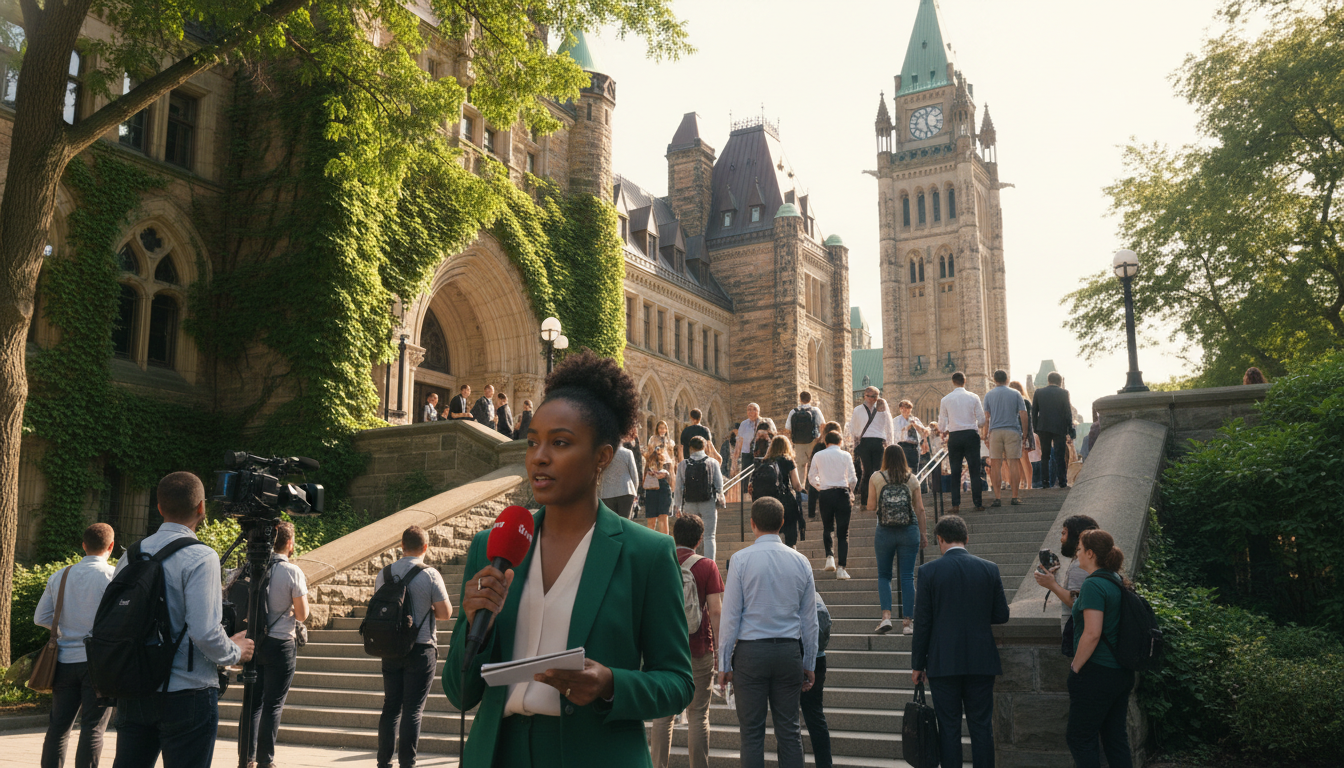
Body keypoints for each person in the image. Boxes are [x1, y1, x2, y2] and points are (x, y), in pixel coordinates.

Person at [443, 349, 694, 768]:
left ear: (602, 457)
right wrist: (475, 626)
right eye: (533, 442)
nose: (539, 456)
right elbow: (460, 692)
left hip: (597, 754)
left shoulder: (646, 553)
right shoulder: (492, 548)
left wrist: (612, 683)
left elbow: (677, 682)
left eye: (560, 442)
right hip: (497, 753)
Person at [111, 471, 254, 768]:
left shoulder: (131, 555)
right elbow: (204, 631)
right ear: (202, 508)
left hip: (135, 689)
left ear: (160, 507)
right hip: (187, 693)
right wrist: (235, 651)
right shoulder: (200, 556)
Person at [718, 497, 818, 768]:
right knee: (789, 730)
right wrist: (809, 661)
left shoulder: (739, 560)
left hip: (751, 654)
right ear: (782, 523)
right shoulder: (801, 561)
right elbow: (810, 619)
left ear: (752, 524)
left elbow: (729, 618)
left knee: (751, 733)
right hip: (788, 651)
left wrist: (724, 663)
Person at [911, 515, 1009, 768]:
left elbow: (922, 623)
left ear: (939, 539)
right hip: (981, 659)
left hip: (944, 661)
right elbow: (1002, 615)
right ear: (967, 538)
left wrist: (918, 665)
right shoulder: (990, 568)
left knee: (949, 727)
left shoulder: (928, 572)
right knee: (981, 726)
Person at [34, 523, 115, 768]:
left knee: (58, 727)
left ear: (83, 545)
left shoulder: (61, 575)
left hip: (63, 662)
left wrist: (63, 630)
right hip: (98, 664)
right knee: (93, 729)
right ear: (110, 546)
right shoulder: (113, 576)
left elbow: (41, 618)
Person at [650, 514, 724, 768]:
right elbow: (715, 610)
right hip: (699, 649)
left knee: (663, 717)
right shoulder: (706, 566)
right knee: (698, 715)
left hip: (664, 650)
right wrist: (720, 653)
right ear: (700, 539)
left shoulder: (660, 561)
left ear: (673, 534)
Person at [376, 526, 452, 768]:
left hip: (390, 649)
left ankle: (383, 762)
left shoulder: (384, 574)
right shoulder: (430, 575)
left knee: (391, 706)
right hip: (421, 649)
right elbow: (445, 614)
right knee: (412, 710)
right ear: (426, 547)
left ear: (402, 545)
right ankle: (407, 763)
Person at [242, 521, 309, 768]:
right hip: (281, 643)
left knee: (252, 703)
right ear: (289, 543)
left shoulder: (253, 567)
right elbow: (302, 615)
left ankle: (247, 757)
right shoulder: (292, 572)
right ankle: (265, 761)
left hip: (254, 641)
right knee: (273, 705)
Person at [1066, 530, 1135, 768]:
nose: (1077, 554)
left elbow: (1093, 633)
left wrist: (1075, 668)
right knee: (1115, 738)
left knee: (1079, 738)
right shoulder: (1115, 580)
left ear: (1090, 553)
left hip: (1097, 673)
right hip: (1121, 672)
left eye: (1079, 549)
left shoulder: (1094, 584)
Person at [866, 445, 926, 635]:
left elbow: (870, 506)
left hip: (884, 531)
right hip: (909, 530)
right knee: (907, 576)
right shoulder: (912, 479)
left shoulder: (876, 477)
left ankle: (885, 618)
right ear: (903, 458)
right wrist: (924, 534)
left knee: (884, 575)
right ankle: (908, 623)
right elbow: (920, 509)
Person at [1033, 515, 1100, 646]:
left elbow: (1078, 603)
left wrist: (1052, 585)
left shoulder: (1079, 566)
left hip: (1082, 637)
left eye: (1064, 533)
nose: (1061, 539)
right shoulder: (1091, 561)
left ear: (1078, 536)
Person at [808, 431, 858, 579]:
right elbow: (853, 478)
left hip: (825, 494)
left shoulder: (818, 455)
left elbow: (811, 476)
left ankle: (829, 557)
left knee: (827, 527)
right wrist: (851, 490)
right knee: (843, 532)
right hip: (842, 493)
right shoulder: (846, 455)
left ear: (826, 442)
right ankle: (842, 567)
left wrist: (820, 486)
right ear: (840, 441)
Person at [937, 371, 986, 513]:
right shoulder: (973, 397)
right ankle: (978, 503)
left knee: (955, 470)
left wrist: (946, 428)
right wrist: (973, 423)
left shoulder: (946, 399)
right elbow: (982, 420)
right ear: (965, 381)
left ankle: (955, 505)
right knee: (974, 470)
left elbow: (941, 425)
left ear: (953, 382)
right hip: (971, 434)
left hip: (955, 436)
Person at [983, 369, 1029, 508]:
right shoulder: (1015, 394)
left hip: (995, 432)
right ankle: (1015, 496)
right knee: (1013, 464)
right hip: (1012, 430)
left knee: (995, 465)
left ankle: (997, 497)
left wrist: (985, 435)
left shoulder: (989, 395)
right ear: (1007, 379)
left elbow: (986, 417)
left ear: (994, 379)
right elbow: (1023, 414)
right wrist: (1025, 434)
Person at [674, 435, 725, 561]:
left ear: (690, 448)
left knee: (690, 537)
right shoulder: (713, 462)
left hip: (689, 503)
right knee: (709, 536)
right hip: (708, 502)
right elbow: (719, 485)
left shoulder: (682, 464)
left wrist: (678, 506)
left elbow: (679, 488)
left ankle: (690, 564)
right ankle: (710, 566)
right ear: (705, 446)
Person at [750, 436, 805, 548]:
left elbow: (751, 485)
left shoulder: (764, 462)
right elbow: (797, 485)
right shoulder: (788, 461)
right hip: (786, 501)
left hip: (769, 502)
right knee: (790, 538)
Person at [800, 590, 833, 768]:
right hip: (818, 656)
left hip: (794, 655)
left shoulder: (788, 591)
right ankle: (825, 764)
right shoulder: (815, 594)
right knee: (815, 715)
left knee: (787, 721)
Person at [846, 386, 890, 507]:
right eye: (869, 396)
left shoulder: (882, 408)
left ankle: (878, 499)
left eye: (874, 396)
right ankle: (865, 501)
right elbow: (852, 428)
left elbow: (888, 425)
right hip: (865, 441)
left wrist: (888, 441)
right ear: (865, 396)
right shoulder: (858, 409)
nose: (871, 399)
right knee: (867, 471)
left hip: (878, 441)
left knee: (877, 471)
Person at [1032, 371, 1073, 489]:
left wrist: (1036, 428)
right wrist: (1069, 429)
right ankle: (1062, 482)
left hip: (1043, 427)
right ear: (1060, 382)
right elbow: (1067, 412)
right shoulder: (1064, 393)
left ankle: (1045, 482)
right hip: (1059, 427)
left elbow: (1034, 412)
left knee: (1045, 456)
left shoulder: (1039, 392)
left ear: (1048, 380)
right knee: (1060, 455)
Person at [783, 392, 825, 484]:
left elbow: (787, 429)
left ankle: (801, 489)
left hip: (798, 443)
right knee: (815, 465)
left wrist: (791, 442)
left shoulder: (793, 411)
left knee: (800, 467)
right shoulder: (816, 410)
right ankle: (816, 487)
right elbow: (823, 426)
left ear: (800, 399)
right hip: (813, 441)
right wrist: (819, 439)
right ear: (810, 399)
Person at [600, 440, 641, 519]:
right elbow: (634, 475)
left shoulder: (603, 454)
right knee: (625, 523)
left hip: (607, 492)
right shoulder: (628, 453)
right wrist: (635, 493)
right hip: (626, 491)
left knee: (611, 523)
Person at [892, 400, 928, 482]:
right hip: (902, 446)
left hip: (914, 447)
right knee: (903, 468)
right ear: (900, 409)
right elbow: (896, 435)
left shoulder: (915, 419)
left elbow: (924, 432)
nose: (905, 410)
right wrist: (906, 428)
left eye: (907, 408)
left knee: (914, 469)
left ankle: (914, 487)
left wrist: (916, 425)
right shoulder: (896, 420)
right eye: (903, 408)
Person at [642, 445, 675, 535]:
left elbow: (644, 480)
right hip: (658, 489)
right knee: (661, 520)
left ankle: (653, 545)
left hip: (657, 489)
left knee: (656, 521)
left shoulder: (666, 463)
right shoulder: (666, 462)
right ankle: (660, 545)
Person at [1008, 381, 1034, 492]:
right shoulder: (1022, 400)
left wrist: (1025, 434)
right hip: (1020, 432)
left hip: (1021, 432)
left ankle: (1029, 484)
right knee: (1019, 459)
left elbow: (1026, 418)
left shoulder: (1023, 401)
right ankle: (1023, 483)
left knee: (1023, 459)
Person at [735, 403, 762, 476]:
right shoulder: (744, 424)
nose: (751, 412)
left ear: (759, 411)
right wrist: (735, 461)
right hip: (746, 455)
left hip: (760, 454)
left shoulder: (763, 422)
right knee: (745, 478)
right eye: (749, 410)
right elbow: (739, 441)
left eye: (754, 409)